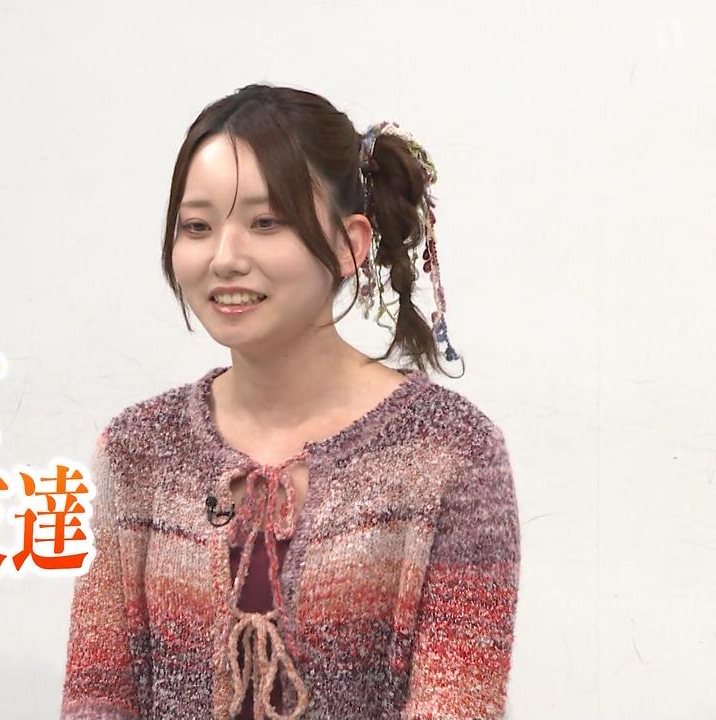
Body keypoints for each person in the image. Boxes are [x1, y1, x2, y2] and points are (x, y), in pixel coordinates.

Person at [58, 84, 521, 719]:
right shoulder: (138, 450)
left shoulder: (449, 452)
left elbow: (458, 702)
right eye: (197, 227)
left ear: (349, 244)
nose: (225, 259)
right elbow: (97, 698)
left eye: (265, 223)